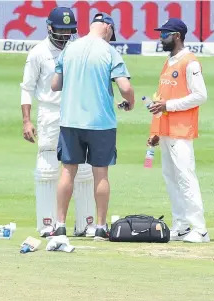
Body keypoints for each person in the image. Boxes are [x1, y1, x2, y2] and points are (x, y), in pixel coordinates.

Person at [50, 12, 135, 240]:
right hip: (101, 123)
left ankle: (59, 224)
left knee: (67, 171)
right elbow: (125, 88)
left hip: (70, 120)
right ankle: (100, 227)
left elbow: (55, 84)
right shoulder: (109, 51)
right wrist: (131, 102)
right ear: (107, 28)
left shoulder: (70, 48)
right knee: (101, 174)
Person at [20, 7, 96, 238]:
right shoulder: (38, 52)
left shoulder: (78, 49)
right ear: (49, 27)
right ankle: (47, 224)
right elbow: (27, 88)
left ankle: (85, 223)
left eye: (69, 30)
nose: (64, 35)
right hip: (50, 113)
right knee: (47, 168)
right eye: (60, 30)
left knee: (83, 169)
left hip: (77, 113)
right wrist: (26, 121)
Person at [147, 18, 210, 243]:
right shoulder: (169, 61)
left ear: (177, 36)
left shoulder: (190, 62)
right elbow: (160, 99)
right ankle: (182, 225)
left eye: (165, 34)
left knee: (186, 177)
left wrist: (169, 106)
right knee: (171, 178)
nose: (160, 37)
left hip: (181, 130)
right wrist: (155, 130)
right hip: (166, 130)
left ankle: (200, 229)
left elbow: (200, 95)